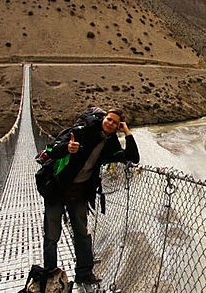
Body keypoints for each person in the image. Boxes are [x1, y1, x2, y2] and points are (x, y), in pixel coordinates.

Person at [42, 107, 139, 284]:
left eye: (115, 123)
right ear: (104, 118)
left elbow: (133, 157)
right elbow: (52, 149)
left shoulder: (111, 144)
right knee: (52, 232)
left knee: (81, 232)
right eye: (109, 119)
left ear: (118, 126)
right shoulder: (81, 131)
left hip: (78, 192)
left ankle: (84, 274)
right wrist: (67, 148)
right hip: (56, 188)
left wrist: (127, 133)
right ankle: (50, 275)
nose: (110, 123)